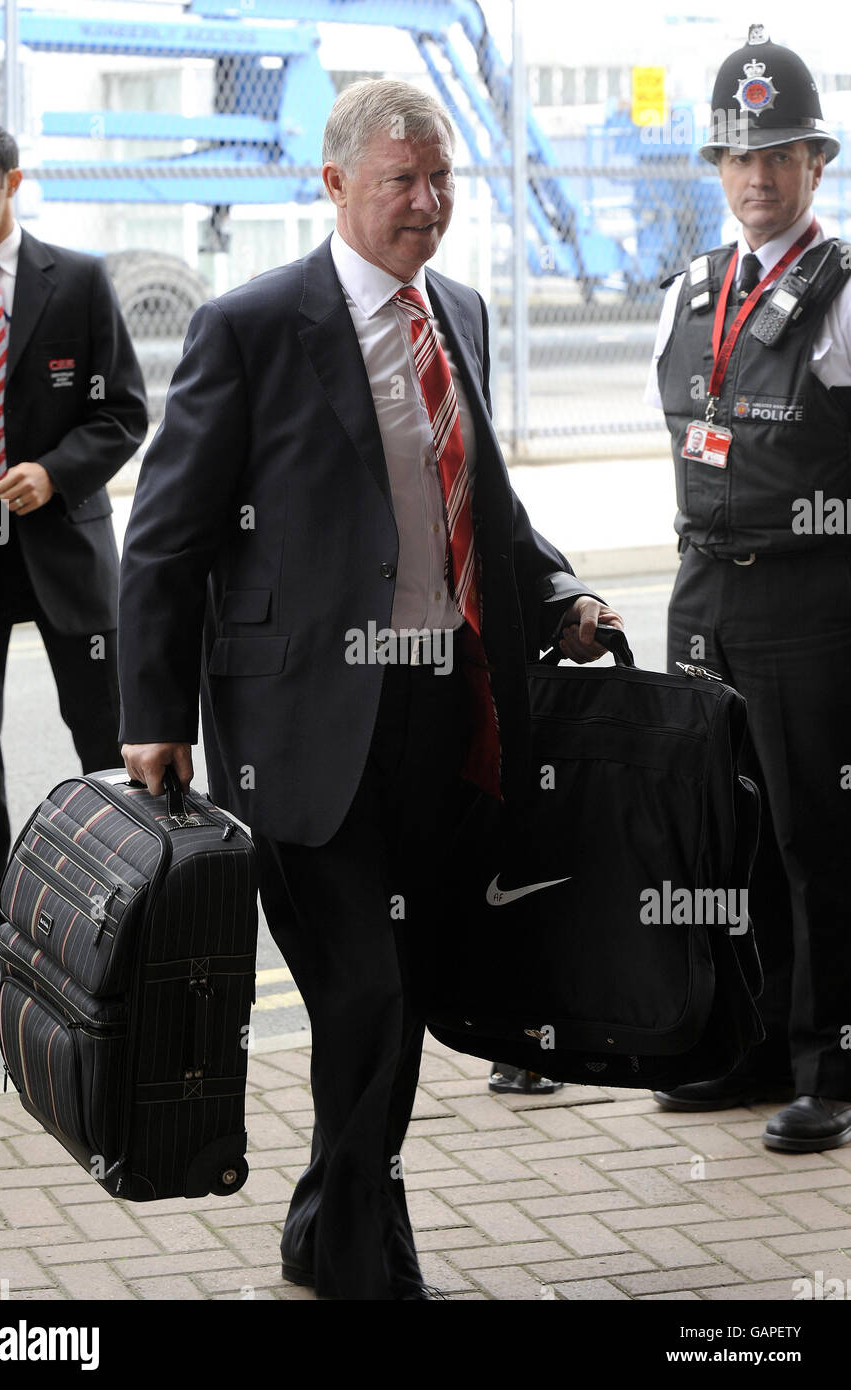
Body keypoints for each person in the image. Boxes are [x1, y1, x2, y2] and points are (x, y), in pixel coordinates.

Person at [117, 79, 622, 1301]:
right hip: (303, 728)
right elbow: (166, 538)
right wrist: (148, 718)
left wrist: (555, 592)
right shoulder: (251, 327)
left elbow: (484, 506)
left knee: (405, 985)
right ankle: (358, 1250)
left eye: (442, 176)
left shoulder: (461, 311)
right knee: (368, 989)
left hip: (444, 716)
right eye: (403, 179)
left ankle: (323, 1215)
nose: (430, 202)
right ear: (335, 184)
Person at [645, 27, 851, 1152]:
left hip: (812, 602)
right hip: (703, 597)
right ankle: (754, 1046)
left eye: (779, 155)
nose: (757, 177)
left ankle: (834, 1062)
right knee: (730, 836)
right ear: (716, 171)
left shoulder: (846, 296)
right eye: (738, 156)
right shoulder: (686, 292)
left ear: (818, 162)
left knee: (821, 841)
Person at [0, 117, 147, 978]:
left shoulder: (79, 282)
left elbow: (125, 412)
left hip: (62, 546)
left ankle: (137, 902)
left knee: (108, 736)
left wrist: (53, 471)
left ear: (11, 182)